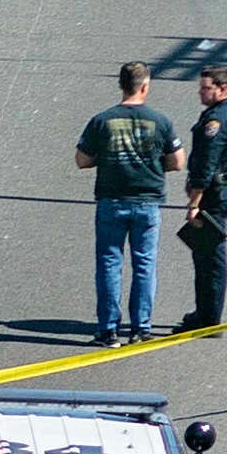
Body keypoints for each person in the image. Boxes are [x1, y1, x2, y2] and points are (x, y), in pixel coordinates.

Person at [76, 60, 182, 345]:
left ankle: (108, 329)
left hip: (111, 201)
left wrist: (108, 157)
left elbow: (82, 159)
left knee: (110, 263)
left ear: (121, 84)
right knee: (145, 263)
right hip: (148, 202)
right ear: (145, 86)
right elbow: (178, 161)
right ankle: (141, 327)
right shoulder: (160, 122)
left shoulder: (103, 120)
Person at [186, 69, 227, 333]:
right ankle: (206, 312)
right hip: (224, 191)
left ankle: (208, 319)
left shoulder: (216, 121)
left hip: (213, 194)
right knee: (207, 255)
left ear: (222, 88)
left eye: (205, 88)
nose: (200, 92)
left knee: (209, 257)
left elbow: (207, 163)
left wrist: (194, 202)